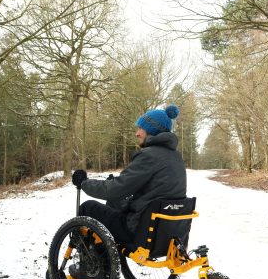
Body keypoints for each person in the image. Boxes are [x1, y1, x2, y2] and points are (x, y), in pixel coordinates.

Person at [71, 105, 187, 245]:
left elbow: (114, 190)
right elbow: (151, 190)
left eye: (140, 129)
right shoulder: (176, 157)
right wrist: (118, 185)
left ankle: (93, 264)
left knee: (88, 207)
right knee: (115, 202)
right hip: (166, 232)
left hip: (140, 233)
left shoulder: (149, 155)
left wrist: (84, 182)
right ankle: (113, 261)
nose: (136, 134)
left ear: (151, 131)